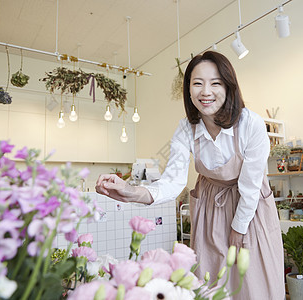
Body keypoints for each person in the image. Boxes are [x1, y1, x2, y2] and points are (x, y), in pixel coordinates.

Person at [95, 51, 284, 299]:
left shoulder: (251, 124)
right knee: (210, 281)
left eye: (215, 83)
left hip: (250, 210)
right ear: (188, 89)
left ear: (229, 86)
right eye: (197, 83)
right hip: (210, 212)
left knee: (256, 282)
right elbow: (173, 181)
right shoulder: (186, 128)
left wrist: (238, 229)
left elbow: (250, 186)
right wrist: (132, 192)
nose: (206, 91)